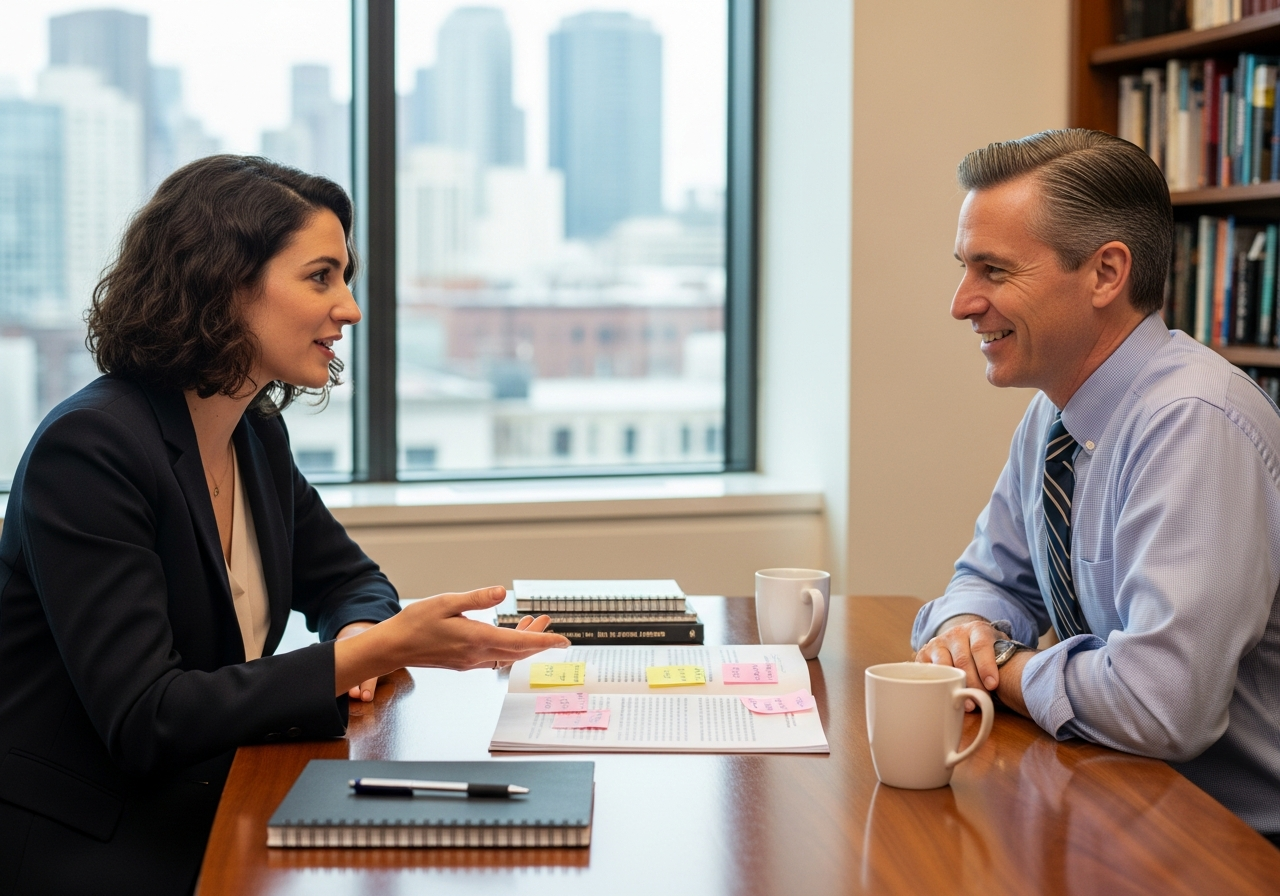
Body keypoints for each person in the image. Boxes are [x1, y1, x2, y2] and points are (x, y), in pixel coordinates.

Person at [0, 155, 569, 895]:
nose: (350, 308)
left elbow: (349, 579)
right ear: (223, 282)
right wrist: (370, 654)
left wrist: (364, 635)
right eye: (321, 276)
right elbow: (146, 718)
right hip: (97, 843)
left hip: (223, 799)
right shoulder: (91, 450)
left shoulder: (253, 433)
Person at [911, 129, 1280, 844]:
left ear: (1107, 273)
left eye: (993, 270)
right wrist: (966, 631)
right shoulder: (1054, 411)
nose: (962, 303)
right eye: (964, 268)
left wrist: (1003, 668)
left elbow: (1161, 706)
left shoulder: (1195, 423)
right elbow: (987, 580)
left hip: (1234, 843)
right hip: (1120, 803)